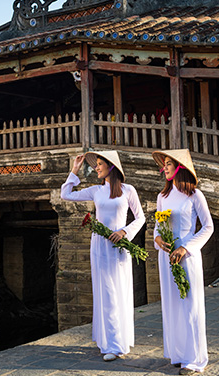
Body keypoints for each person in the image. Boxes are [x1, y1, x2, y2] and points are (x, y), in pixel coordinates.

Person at [60, 150, 146, 361]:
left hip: (118, 245)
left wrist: (124, 232)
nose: (96, 168)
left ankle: (118, 343)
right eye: (96, 164)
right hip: (99, 246)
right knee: (104, 291)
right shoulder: (96, 191)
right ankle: (108, 342)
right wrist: (74, 170)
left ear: (112, 167)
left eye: (99, 164)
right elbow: (66, 194)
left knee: (117, 291)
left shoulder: (128, 190)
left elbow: (140, 217)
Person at [152, 149, 214, 375]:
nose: (164, 167)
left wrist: (185, 248)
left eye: (169, 164)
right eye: (164, 164)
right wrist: (157, 239)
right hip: (166, 255)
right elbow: (158, 226)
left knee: (190, 305)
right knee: (171, 304)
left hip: (186, 256)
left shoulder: (195, 195)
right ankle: (178, 354)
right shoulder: (162, 197)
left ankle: (194, 360)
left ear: (180, 167)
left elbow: (208, 227)